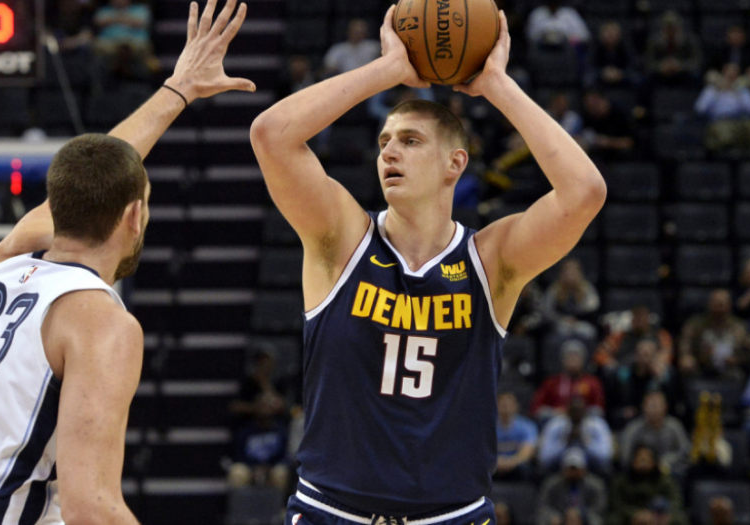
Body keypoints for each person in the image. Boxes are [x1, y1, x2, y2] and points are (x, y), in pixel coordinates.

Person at [0, 1, 255, 523]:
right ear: (135, 217)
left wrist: (178, 90)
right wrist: (178, 88)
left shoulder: (2, 268)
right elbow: (90, 507)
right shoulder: (103, 322)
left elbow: (92, 176)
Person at [250, 2, 606, 520]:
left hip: (451, 514)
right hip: (331, 511)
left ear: (454, 163)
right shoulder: (341, 238)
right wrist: (387, 69)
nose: (389, 153)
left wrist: (497, 86)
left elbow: (585, 192)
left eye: (410, 141)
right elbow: (271, 135)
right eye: (384, 142)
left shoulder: (491, 261)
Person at [678, 288, 750, 380]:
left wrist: (737, 359)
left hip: (730, 368)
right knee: (687, 365)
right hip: (701, 365)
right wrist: (687, 357)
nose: (718, 309)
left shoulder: (739, 326)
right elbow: (685, 344)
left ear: (729, 305)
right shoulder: (695, 324)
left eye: (721, 305)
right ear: (709, 304)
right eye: (716, 304)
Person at [606, 339, 683, 428]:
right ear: (635, 355)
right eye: (640, 354)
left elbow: (672, 404)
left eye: (647, 355)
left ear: (655, 357)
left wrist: (661, 379)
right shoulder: (623, 375)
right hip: (629, 418)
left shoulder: (664, 376)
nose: (643, 359)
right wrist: (622, 411)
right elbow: (613, 403)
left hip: (655, 418)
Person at [607, 446, 687, 525]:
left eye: (647, 458)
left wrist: (660, 515)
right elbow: (617, 503)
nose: (643, 462)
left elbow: (675, 501)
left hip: (659, 514)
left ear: (654, 461)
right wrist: (635, 514)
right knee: (614, 520)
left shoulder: (665, 480)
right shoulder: (621, 480)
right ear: (633, 461)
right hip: (631, 515)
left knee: (680, 519)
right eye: (640, 458)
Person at [618, 391, 690, 478]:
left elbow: (685, 450)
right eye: (652, 405)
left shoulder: (674, 426)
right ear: (643, 407)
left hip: (671, 470)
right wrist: (641, 462)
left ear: (665, 407)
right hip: (640, 472)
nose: (655, 409)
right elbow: (625, 454)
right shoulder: (633, 428)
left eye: (658, 405)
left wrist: (666, 461)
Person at [531, 340, 605, 422]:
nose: (573, 360)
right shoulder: (551, 382)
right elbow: (536, 408)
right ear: (563, 360)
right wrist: (554, 412)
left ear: (583, 360)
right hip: (557, 420)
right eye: (569, 357)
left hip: (585, 421)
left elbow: (599, 407)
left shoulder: (592, 383)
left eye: (576, 357)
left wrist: (580, 413)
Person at [538, 397, 613, 475]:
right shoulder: (555, 424)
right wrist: (564, 443)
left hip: (590, 468)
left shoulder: (597, 424)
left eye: (579, 410)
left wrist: (586, 442)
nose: (576, 414)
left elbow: (605, 457)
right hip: (560, 468)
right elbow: (544, 458)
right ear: (567, 410)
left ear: (585, 410)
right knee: (542, 471)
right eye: (573, 410)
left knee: (606, 470)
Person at [695, 63, 750, 156]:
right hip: (720, 121)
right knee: (726, 134)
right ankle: (726, 157)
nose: (730, 77)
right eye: (728, 74)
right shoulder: (712, 89)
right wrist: (717, 91)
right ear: (723, 74)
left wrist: (737, 93)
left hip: (741, 121)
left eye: (733, 75)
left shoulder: (742, 90)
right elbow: (700, 109)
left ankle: (749, 158)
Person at [535, 448, 607, 525]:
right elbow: (543, 505)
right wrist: (552, 516)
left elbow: (599, 506)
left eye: (576, 469)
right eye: (570, 469)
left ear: (584, 469)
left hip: (585, 516)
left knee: (596, 521)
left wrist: (581, 514)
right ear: (563, 469)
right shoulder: (552, 484)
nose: (573, 472)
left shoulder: (595, 485)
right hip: (559, 516)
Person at [644, 11, 702, 87]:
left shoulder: (690, 40)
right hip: (661, 74)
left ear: (679, 28)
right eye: (668, 28)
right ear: (663, 29)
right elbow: (648, 62)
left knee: (696, 77)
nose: (671, 32)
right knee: (646, 80)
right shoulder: (654, 41)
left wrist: (680, 65)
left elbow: (697, 62)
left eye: (674, 28)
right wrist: (661, 66)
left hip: (683, 73)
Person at [495, 391, 538, 480]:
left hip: (517, 466)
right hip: (494, 465)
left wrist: (512, 462)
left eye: (509, 404)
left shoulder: (527, 425)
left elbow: (528, 450)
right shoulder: (488, 428)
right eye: (502, 405)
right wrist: (496, 461)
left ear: (516, 406)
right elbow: (483, 451)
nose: (506, 408)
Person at [524, 0, 590, 49]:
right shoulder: (538, 13)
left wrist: (567, 37)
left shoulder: (569, 13)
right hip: (542, 50)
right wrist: (544, 36)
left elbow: (585, 36)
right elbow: (529, 35)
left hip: (565, 50)